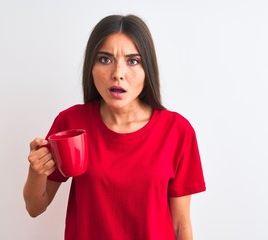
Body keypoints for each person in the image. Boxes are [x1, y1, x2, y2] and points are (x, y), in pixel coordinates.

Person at [23, 14, 206, 240]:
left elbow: (180, 225)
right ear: (91, 66)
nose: (118, 74)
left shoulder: (177, 131)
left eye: (133, 61)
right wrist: (36, 171)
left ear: (147, 68)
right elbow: (35, 207)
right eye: (105, 59)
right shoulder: (71, 124)